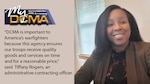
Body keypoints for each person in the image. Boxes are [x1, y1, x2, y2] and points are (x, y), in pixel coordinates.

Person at [75, 5, 150, 84]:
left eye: (122, 22)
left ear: (131, 26)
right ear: (103, 30)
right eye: (110, 24)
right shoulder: (97, 55)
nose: (117, 27)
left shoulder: (147, 50)